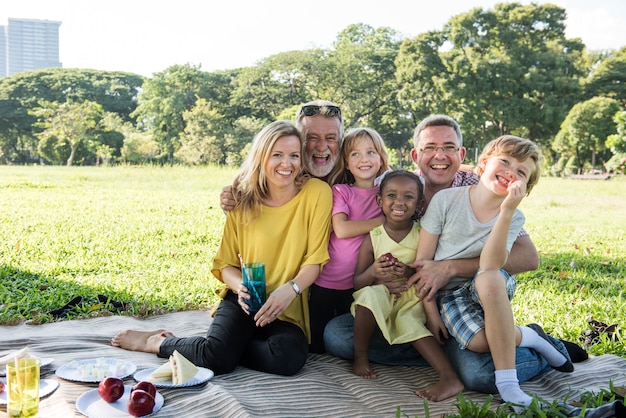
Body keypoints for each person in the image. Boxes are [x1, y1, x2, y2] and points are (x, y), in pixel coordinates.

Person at [324, 114, 583, 393]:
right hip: (409, 302)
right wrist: (382, 275)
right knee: (338, 336)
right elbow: (377, 238)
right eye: (430, 148)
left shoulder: (481, 187)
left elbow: (528, 258)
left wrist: (451, 267)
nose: (440, 156)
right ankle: (445, 354)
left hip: (459, 300)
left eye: (449, 147)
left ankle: (527, 346)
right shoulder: (401, 188)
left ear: (461, 154)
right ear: (415, 154)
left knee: (480, 375)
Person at [111, 120, 332, 376]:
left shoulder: (317, 193)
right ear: (261, 157)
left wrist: (290, 290)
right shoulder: (243, 198)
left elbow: (315, 261)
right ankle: (157, 342)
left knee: (287, 357)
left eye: (294, 155)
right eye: (277, 155)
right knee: (217, 360)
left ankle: (221, 347)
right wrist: (241, 288)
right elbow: (225, 264)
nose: (287, 164)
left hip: (285, 306)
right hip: (244, 299)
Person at [412, 135, 572, 409]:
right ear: (484, 163)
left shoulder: (513, 216)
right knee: (477, 342)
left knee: (488, 277)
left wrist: (507, 211)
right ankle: (531, 336)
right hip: (449, 292)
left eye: (521, 171)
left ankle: (508, 384)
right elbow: (422, 265)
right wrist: (430, 313)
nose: (511, 171)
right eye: (505, 161)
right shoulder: (446, 201)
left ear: (525, 186)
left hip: (490, 285)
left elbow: (490, 265)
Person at [351, 170, 463, 401]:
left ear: (420, 204)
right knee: (369, 297)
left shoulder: (423, 234)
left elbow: (428, 269)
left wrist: (409, 271)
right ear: (379, 201)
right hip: (382, 297)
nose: (399, 202)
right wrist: (373, 272)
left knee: (408, 322)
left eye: (408, 197)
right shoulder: (373, 237)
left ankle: (449, 377)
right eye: (391, 195)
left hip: (412, 298)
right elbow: (357, 283)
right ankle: (360, 355)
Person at [308, 127, 389, 353]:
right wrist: (384, 221)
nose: (364, 159)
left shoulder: (387, 194)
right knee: (316, 345)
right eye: (355, 154)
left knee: (347, 338)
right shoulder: (341, 191)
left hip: (361, 284)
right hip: (326, 281)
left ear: (382, 159)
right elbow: (341, 229)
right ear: (345, 162)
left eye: (371, 152)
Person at [219, 99, 343, 211]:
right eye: (312, 138)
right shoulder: (279, 175)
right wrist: (230, 201)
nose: (322, 147)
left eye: (331, 138)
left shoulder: (355, 176)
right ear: (297, 141)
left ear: (341, 140)